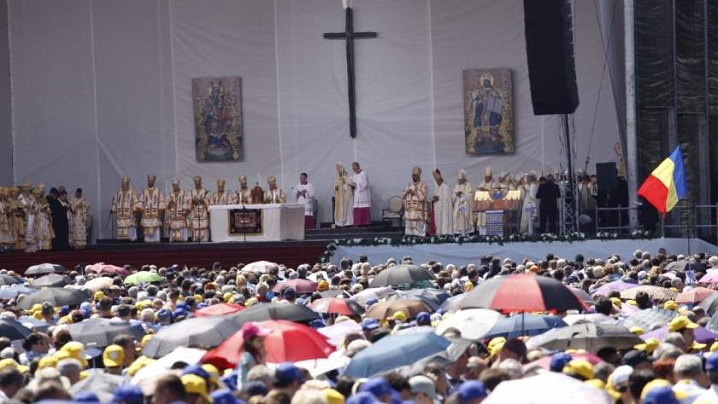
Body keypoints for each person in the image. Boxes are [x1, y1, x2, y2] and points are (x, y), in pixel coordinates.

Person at [236, 322, 269, 390]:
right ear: (249, 341)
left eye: (263, 340)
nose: (262, 343)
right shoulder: (247, 356)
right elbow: (257, 375)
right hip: (246, 391)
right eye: (259, 341)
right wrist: (263, 359)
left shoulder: (255, 355)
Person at [111, 177, 139, 241]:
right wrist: (114, 209)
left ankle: (131, 241)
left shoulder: (132, 192)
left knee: (130, 231)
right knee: (121, 231)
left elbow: (136, 202)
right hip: (120, 215)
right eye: (123, 184)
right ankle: (122, 241)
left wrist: (133, 210)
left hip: (129, 215)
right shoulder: (118, 193)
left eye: (125, 184)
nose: (124, 186)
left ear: (128, 184)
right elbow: (115, 202)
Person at [139, 175, 165, 243]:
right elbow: (141, 202)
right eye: (149, 181)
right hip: (147, 213)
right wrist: (141, 209)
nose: (150, 182)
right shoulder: (144, 191)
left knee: (155, 228)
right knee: (147, 228)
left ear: (153, 182)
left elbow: (161, 201)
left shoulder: (158, 191)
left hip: (155, 213)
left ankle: (156, 241)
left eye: (151, 181)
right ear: (147, 182)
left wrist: (159, 211)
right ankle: (148, 241)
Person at [402, 167, 428, 236]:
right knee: (409, 228)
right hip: (409, 211)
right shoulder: (409, 185)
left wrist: (415, 193)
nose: (414, 177)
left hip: (418, 211)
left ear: (419, 176)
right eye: (413, 175)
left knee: (419, 228)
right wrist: (408, 192)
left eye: (415, 176)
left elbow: (423, 197)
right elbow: (403, 195)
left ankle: (420, 240)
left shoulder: (423, 185)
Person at [347, 162, 371, 226]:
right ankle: (357, 223)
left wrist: (357, 185)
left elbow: (365, 184)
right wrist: (351, 183)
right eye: (352, 168)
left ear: (358, 167)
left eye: (354, 168)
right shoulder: (354, 175)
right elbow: (354, 183)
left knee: (363, 208)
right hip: (357, 194)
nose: (353, 169)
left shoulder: (363, 174)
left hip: (362, 193)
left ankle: (365, 223)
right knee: (357, 208)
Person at [476, 167, 498, 235]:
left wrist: (486, 191)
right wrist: (480, 190)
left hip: (490, 205)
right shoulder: (482, 183)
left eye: (487, 177)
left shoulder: (494, 184)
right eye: (485, 177)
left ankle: (490, 234)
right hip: (482, 205)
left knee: (488, 220)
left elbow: (495, 193)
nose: (486, 179)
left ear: (490, 177)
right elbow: (478, 191)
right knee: (482, 220)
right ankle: (481, 234)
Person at [189, 176, 210, 242]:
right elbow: (189, 203)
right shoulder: (191, 192)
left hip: (203, 214)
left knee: (204, 229)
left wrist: (204, 201)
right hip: (195, 214)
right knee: (195, 228)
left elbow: (208, 202)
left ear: (200, 182)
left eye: (198, 183)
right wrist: (192, 201)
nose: (197, 184)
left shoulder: (205, 191)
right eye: (196, 183)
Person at [452, 169, 474, 235]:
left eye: (461, 179)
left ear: (464, 178)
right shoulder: (457, 185)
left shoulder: (468, 185)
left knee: (464, 218)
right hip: (458, 204)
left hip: (465, 204)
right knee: (457, 217)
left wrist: (463, 194)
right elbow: (453, 194)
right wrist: (456, 194)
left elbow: (470, 195)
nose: (459, 181)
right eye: (459, 180)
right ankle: (458, 232)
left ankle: (466, 231)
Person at [432, 169, 452, 236]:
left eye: (437, 180)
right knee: (438, 223)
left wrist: (439, 198)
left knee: (444, 223)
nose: (437, 182)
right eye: (436, 181)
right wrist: (434, 198)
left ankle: (445, 234)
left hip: (444, 210)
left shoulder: (446, 187)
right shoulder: (437, 187)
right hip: (438, 208)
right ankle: (438, 234)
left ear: (440, 179)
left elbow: (447, 199)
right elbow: (434, 195)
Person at [333, 163, 353, 227]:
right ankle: (339, 224)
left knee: (346, 210)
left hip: (346, 197)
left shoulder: (348, 177)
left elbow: (352, 184)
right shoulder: (337, 179)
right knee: (339, 211)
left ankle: (348, 223)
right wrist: (336, 187)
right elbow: (334, 186)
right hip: (339, 197)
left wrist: (345, 180)